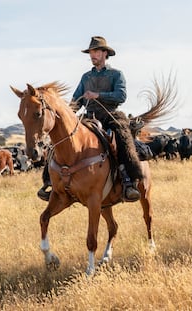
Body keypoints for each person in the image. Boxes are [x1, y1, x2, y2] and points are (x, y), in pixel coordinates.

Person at [38, 36, 142, 202]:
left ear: (104, 53)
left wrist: (97, 95)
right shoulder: (86, 77)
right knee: (59, 141)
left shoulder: (116, 74)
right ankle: (50, 182)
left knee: (123, 139)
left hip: (111, 115)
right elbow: (75, 101)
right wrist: (66, 114)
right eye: (91, 52)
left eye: (96, 51)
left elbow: (121, 96)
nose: (92, 55)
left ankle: (129, 182)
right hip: (88, 117)